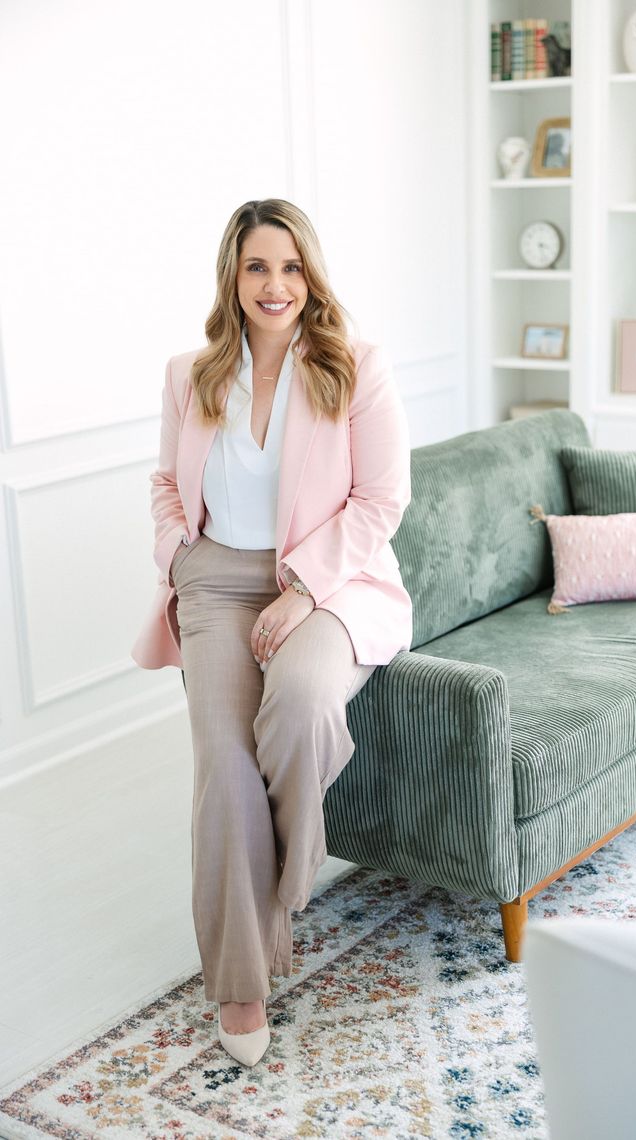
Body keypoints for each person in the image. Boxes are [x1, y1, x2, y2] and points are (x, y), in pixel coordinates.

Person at [131, 199, 413, 1067]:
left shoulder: (353, 366)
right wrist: (176, 556)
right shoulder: (191, 373)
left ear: (310, 275)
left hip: (327, 584)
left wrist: (305, 587)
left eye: (291, 267)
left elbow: (381, 501)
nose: (276, 284)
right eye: (258, 267)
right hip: (214, 582)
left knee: (299, 709)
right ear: (234, 276)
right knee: (223, 769)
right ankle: (242, 986)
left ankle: (288, 883)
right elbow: (165, 484)